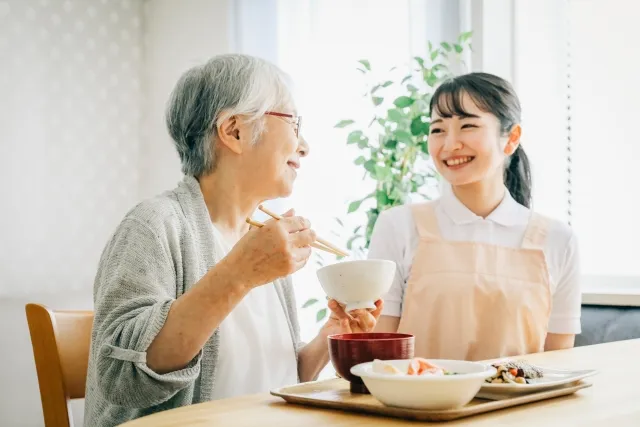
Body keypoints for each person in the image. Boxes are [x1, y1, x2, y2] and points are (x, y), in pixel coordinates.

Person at [84, 54, 382, 427]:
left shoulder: (260, 241)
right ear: (234, 131)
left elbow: (273, 384)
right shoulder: (154, 225)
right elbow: (122, 380)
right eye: (293, 122)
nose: (304, 146)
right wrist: (241, 273)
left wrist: (329, 336)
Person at [369, 72, 580, 361]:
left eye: (467, 126)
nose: (450, 144)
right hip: (418, 404)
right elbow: (382, 355)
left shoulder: (557, 239)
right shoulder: (398, 226)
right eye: (438, 129)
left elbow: (558, 363)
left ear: (511, 139)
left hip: (521, 405)